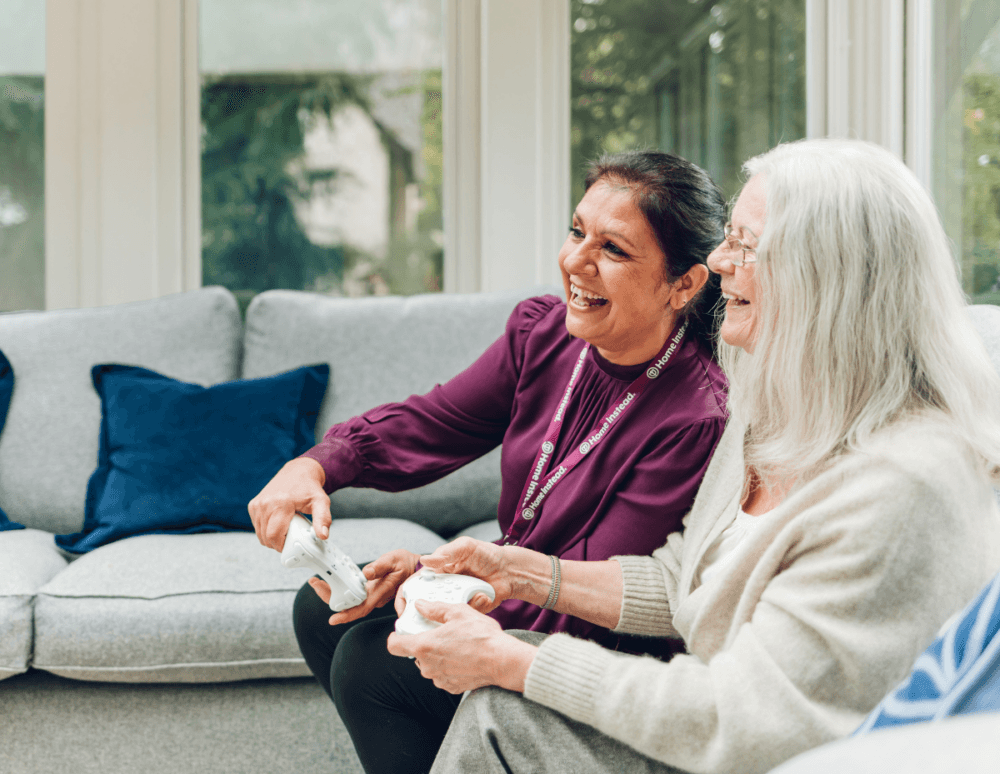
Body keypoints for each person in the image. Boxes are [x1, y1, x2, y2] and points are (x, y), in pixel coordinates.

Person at [387, 139, 1000, 774]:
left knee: (502, 703)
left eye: (746, 246)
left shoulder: (903, 486)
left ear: (827, 277)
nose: (717, 261)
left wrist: (517, 663)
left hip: (783, 755)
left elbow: (751, 720)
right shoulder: (774, 412)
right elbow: (688, 580)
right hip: (731, 728)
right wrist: (516, 572)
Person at [248, 150, 730, 774]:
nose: (575, 261)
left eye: (613, 250)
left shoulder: (695, 418)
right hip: (512, 587)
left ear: (685, 284)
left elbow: (588, 592)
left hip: (596, 650)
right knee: (327, 609)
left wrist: (427, 583)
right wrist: (315, 466)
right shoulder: (545, 334)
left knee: (373, 659)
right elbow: (436, 422)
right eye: (577, 231)